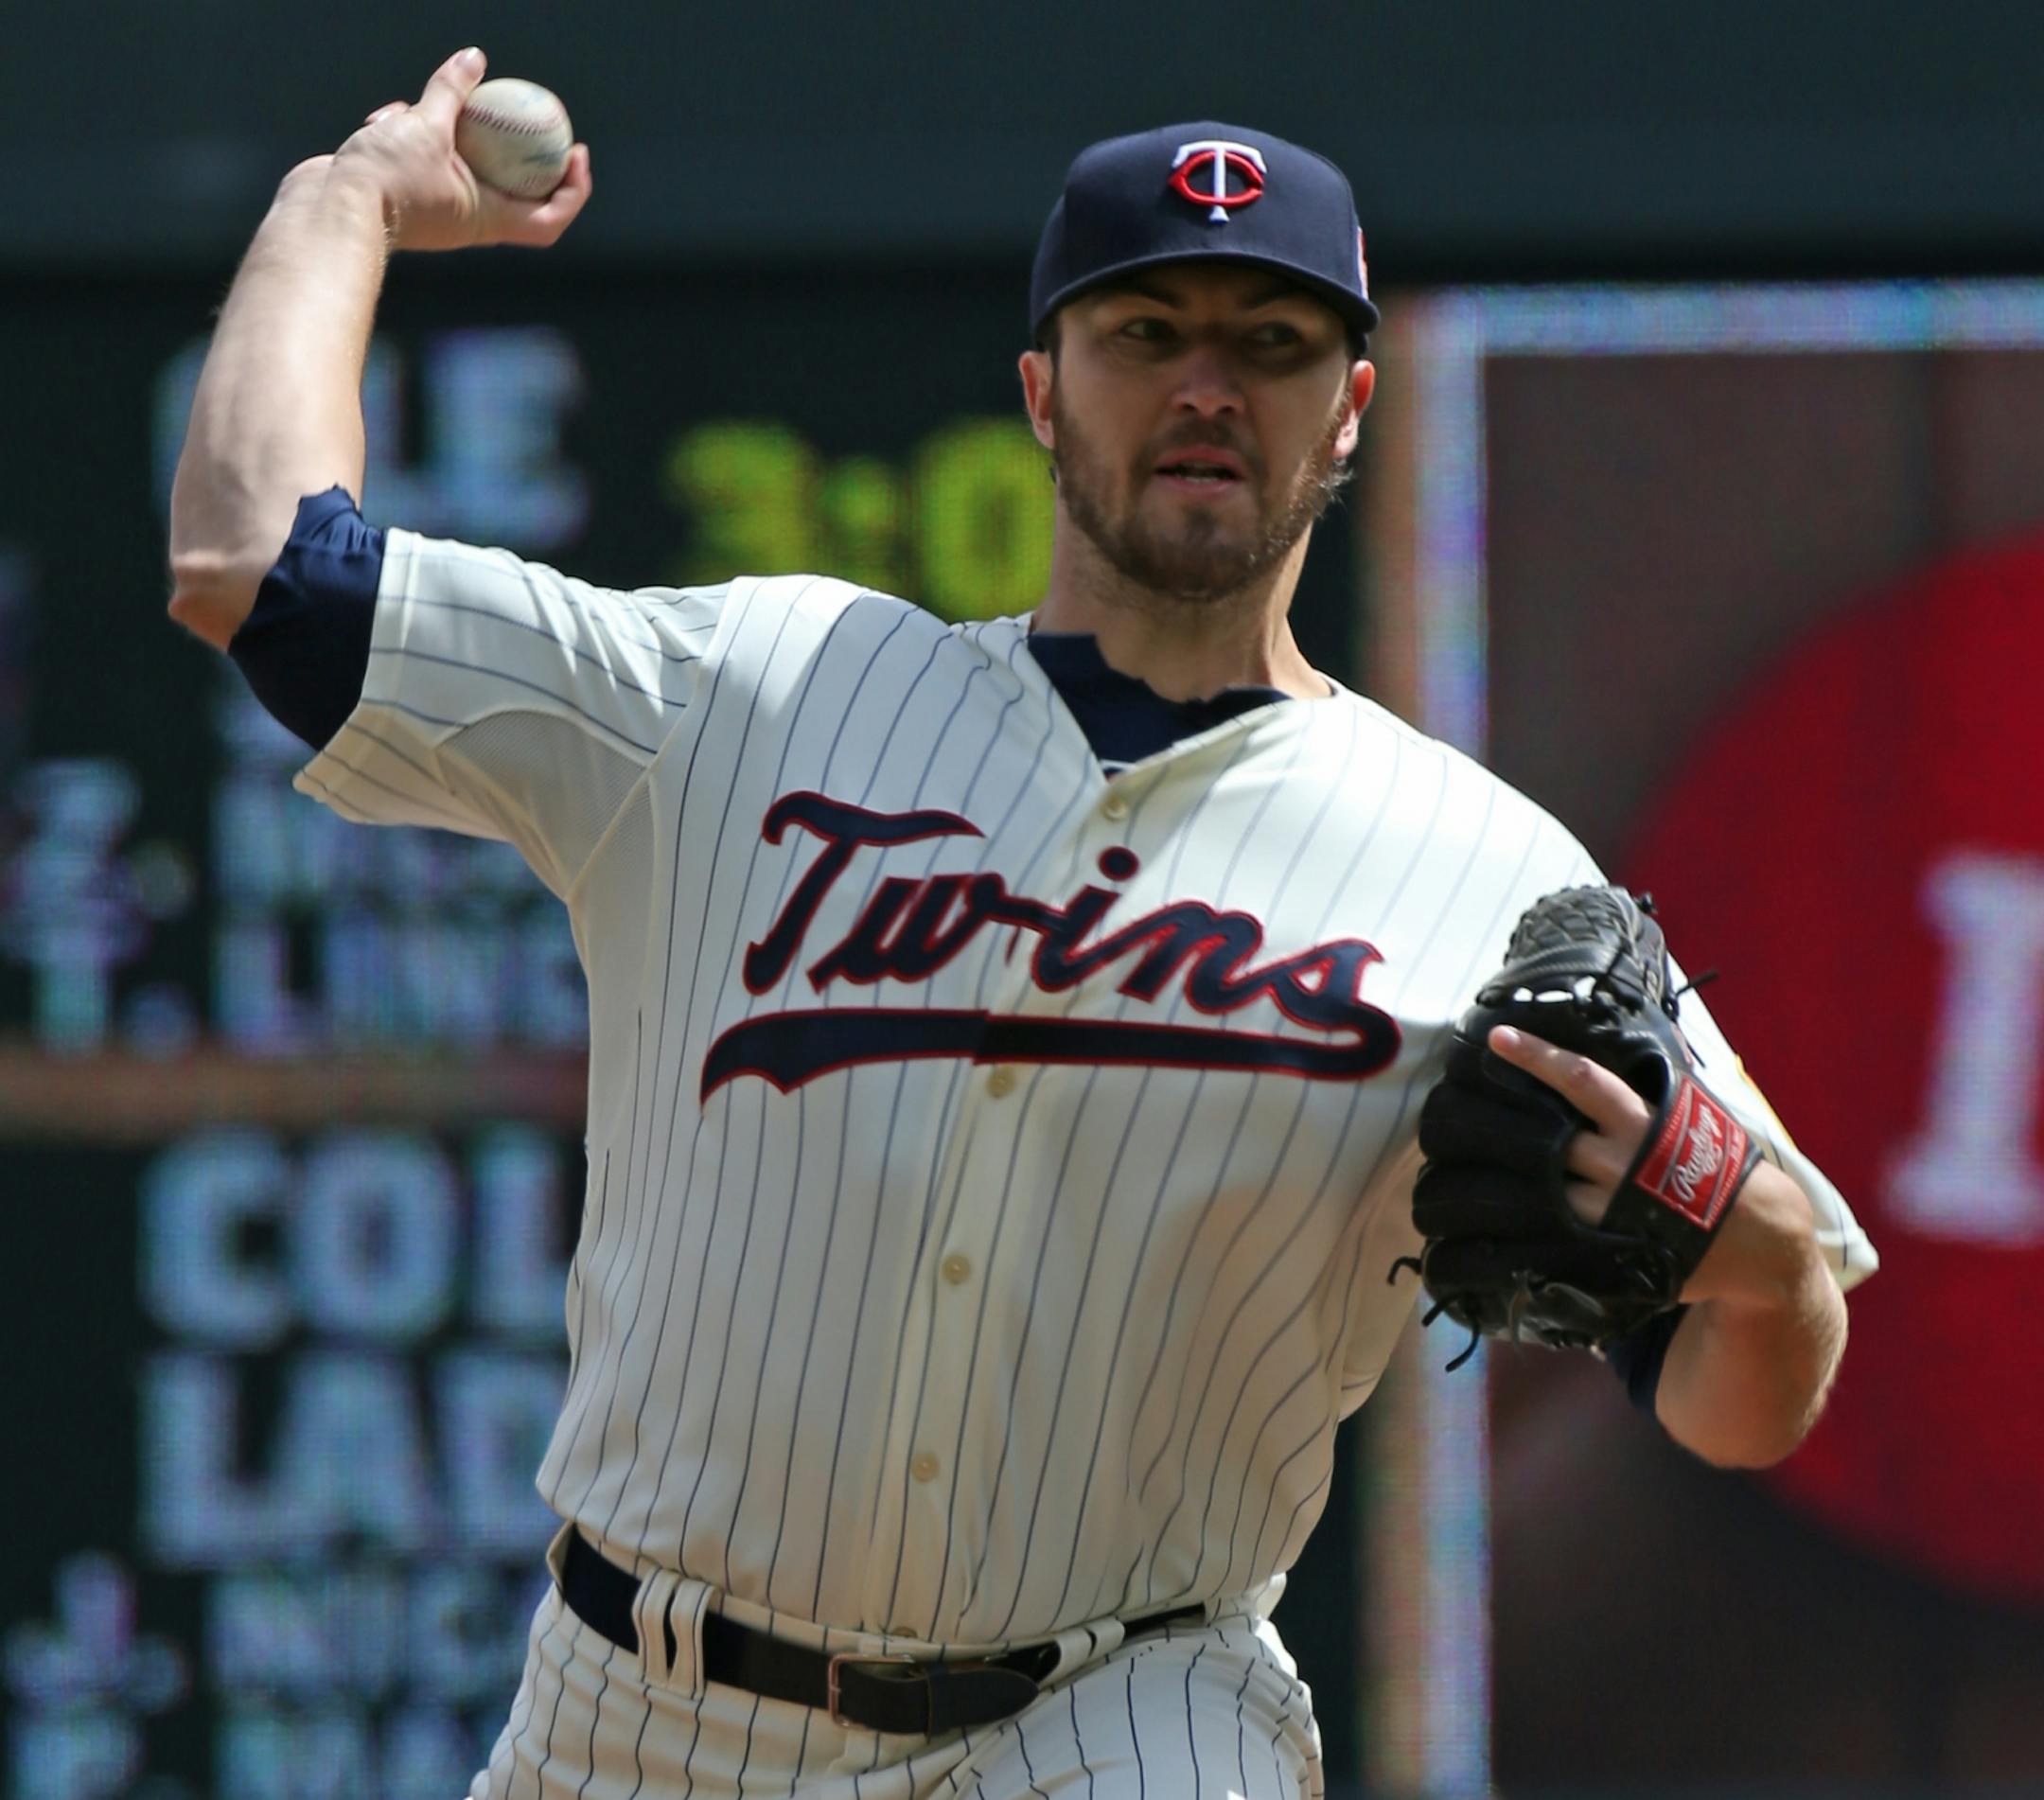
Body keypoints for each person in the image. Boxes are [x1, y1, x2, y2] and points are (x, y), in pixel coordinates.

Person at [167, 48, 1876, 1800]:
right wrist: (343, 200)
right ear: (1044, 394)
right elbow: (251, 567)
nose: (1208, 385)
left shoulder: (1482, 869)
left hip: (1123, 1709)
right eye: (1148, 332)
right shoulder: (749, 692)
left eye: (1271, 342)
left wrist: (1747, 1237)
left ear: (1351, 405)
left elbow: (1748, 1385)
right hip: (642, 1708)